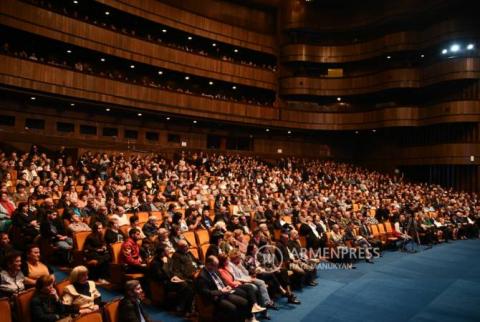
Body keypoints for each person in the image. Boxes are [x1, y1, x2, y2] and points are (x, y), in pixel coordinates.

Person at [195, 255, 256, 322]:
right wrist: (221, 291)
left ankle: (244, 319)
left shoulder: (215, 270)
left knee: (244, 303)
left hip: (225, 292)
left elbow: (222, 280)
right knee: (233, 308)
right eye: (215, 265)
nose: (217, 267)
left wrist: (227, 286)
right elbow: (206, 293)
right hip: (215, 297)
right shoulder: (202, 277)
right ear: (208, 264)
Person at [149, 245, 194, 317]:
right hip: (164, 283)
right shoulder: (155, 263)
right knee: (186, 287)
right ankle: (183, 309)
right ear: (162, 253)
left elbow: (174, 270)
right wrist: (165, 264)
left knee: (190, 285)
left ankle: (187, 309)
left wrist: (177, 277)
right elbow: (161, 276)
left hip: (172, 279)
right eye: (167, 250)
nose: (169, 251)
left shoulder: (168, 258)